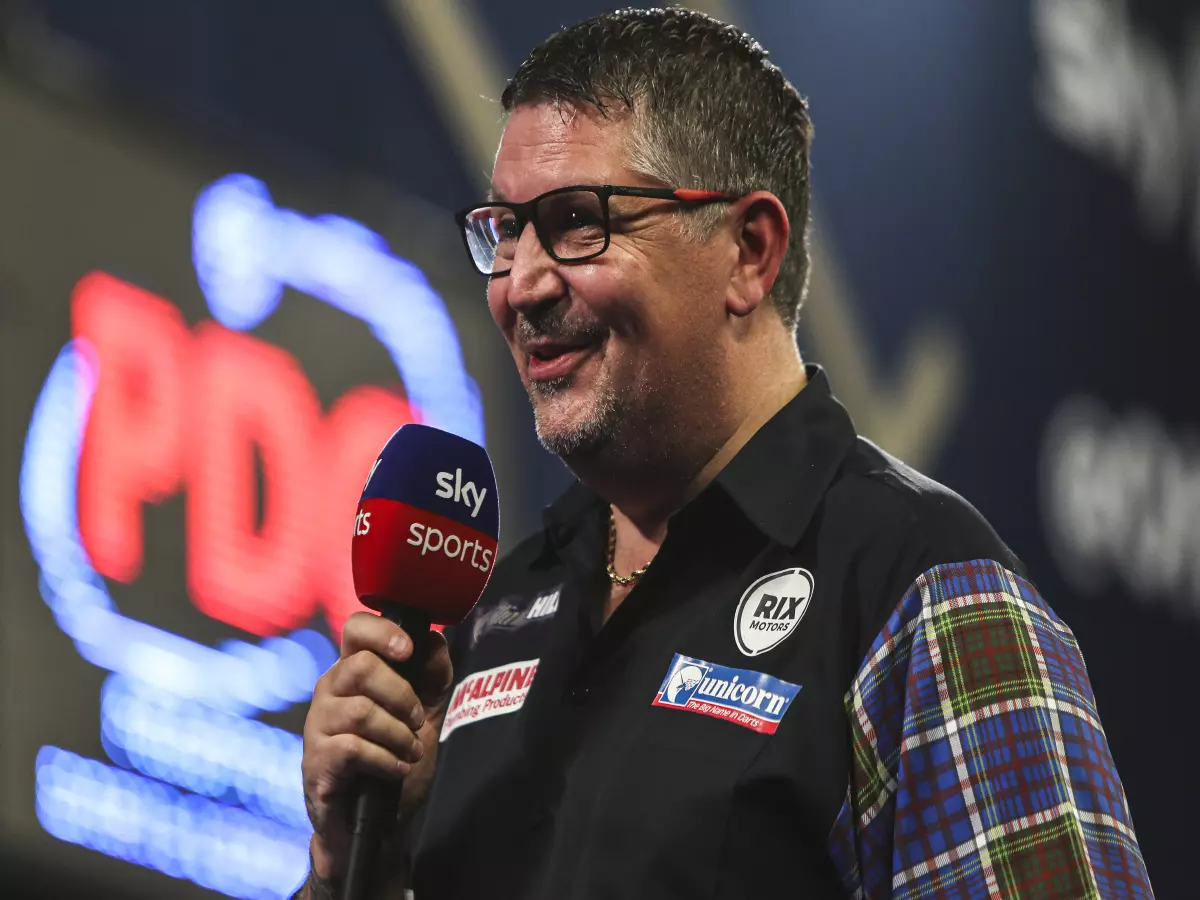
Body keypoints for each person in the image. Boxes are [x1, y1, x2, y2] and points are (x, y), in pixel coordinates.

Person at [297, 8, 1153, 899]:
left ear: (750, 251)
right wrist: (354, 867)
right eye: (506, 231)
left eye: (579, 222)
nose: (522, 284)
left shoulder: (920, 588)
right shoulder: (493, 619)